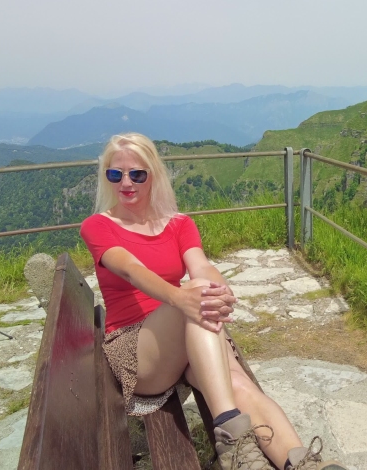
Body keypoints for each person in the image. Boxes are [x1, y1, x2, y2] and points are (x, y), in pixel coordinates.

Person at [80, 133, 346, 470]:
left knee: (236, 381)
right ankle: (234, 445)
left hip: (191, 331)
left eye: (137, 174)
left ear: (153, 175)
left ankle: (300, 462)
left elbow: (201, 265)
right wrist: (182, 296)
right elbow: (131, 270)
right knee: (195, 299)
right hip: (139, 349)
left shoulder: (178, 224)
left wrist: (220, 290)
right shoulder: (99, 226)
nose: (126, 183)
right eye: (115, 174)